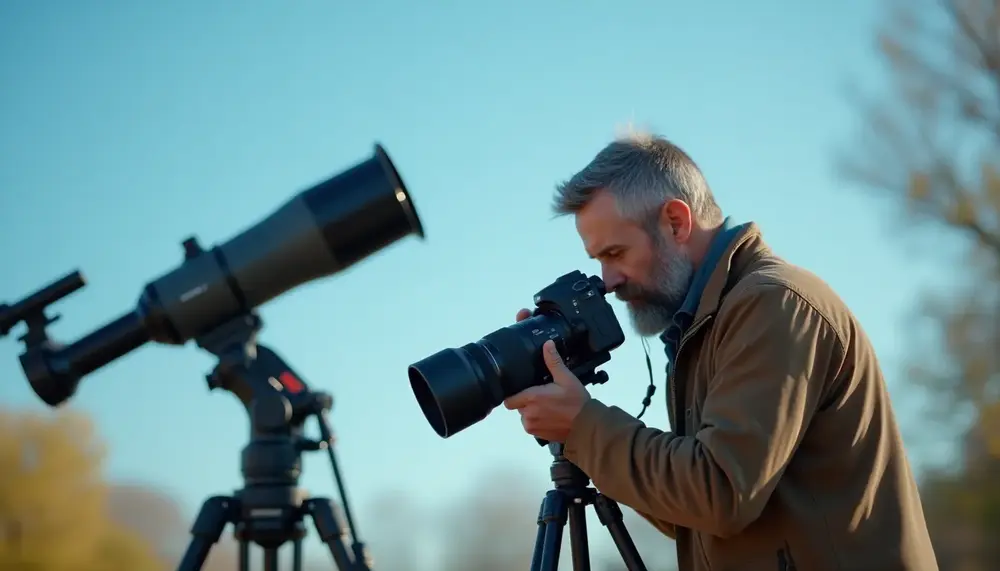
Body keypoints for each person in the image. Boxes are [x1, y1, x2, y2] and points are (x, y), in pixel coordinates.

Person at [502, 132, 938, 571]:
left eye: (615, 252)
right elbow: (690, 515)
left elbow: (720, 494)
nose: (608, 281)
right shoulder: (702, 328)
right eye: (598, 259)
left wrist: (585, 427)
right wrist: (579, 430)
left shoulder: (773, 303)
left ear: (675, 221)